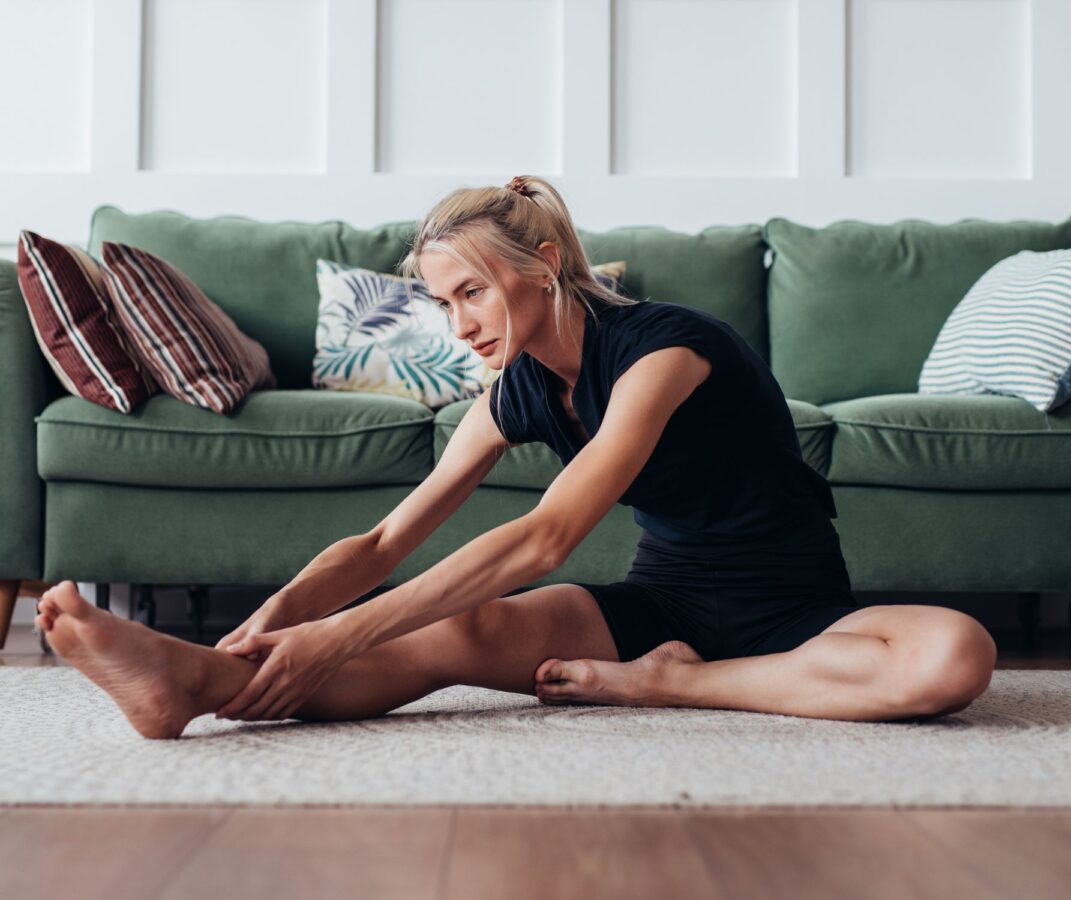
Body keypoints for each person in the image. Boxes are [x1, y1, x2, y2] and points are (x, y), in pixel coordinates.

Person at [34, 176, 996, 740]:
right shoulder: (513, 391)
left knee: (955, 655)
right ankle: (198, 682)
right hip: (655, 603)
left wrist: (349, 633)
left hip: (799, 613)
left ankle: (675, 683)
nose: (462, 327)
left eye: (475, 295)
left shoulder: (664, 351)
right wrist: (274, 624)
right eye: (445, 304)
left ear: (541, 265)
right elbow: (378, 545)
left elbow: (546, 535)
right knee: (458, 635)